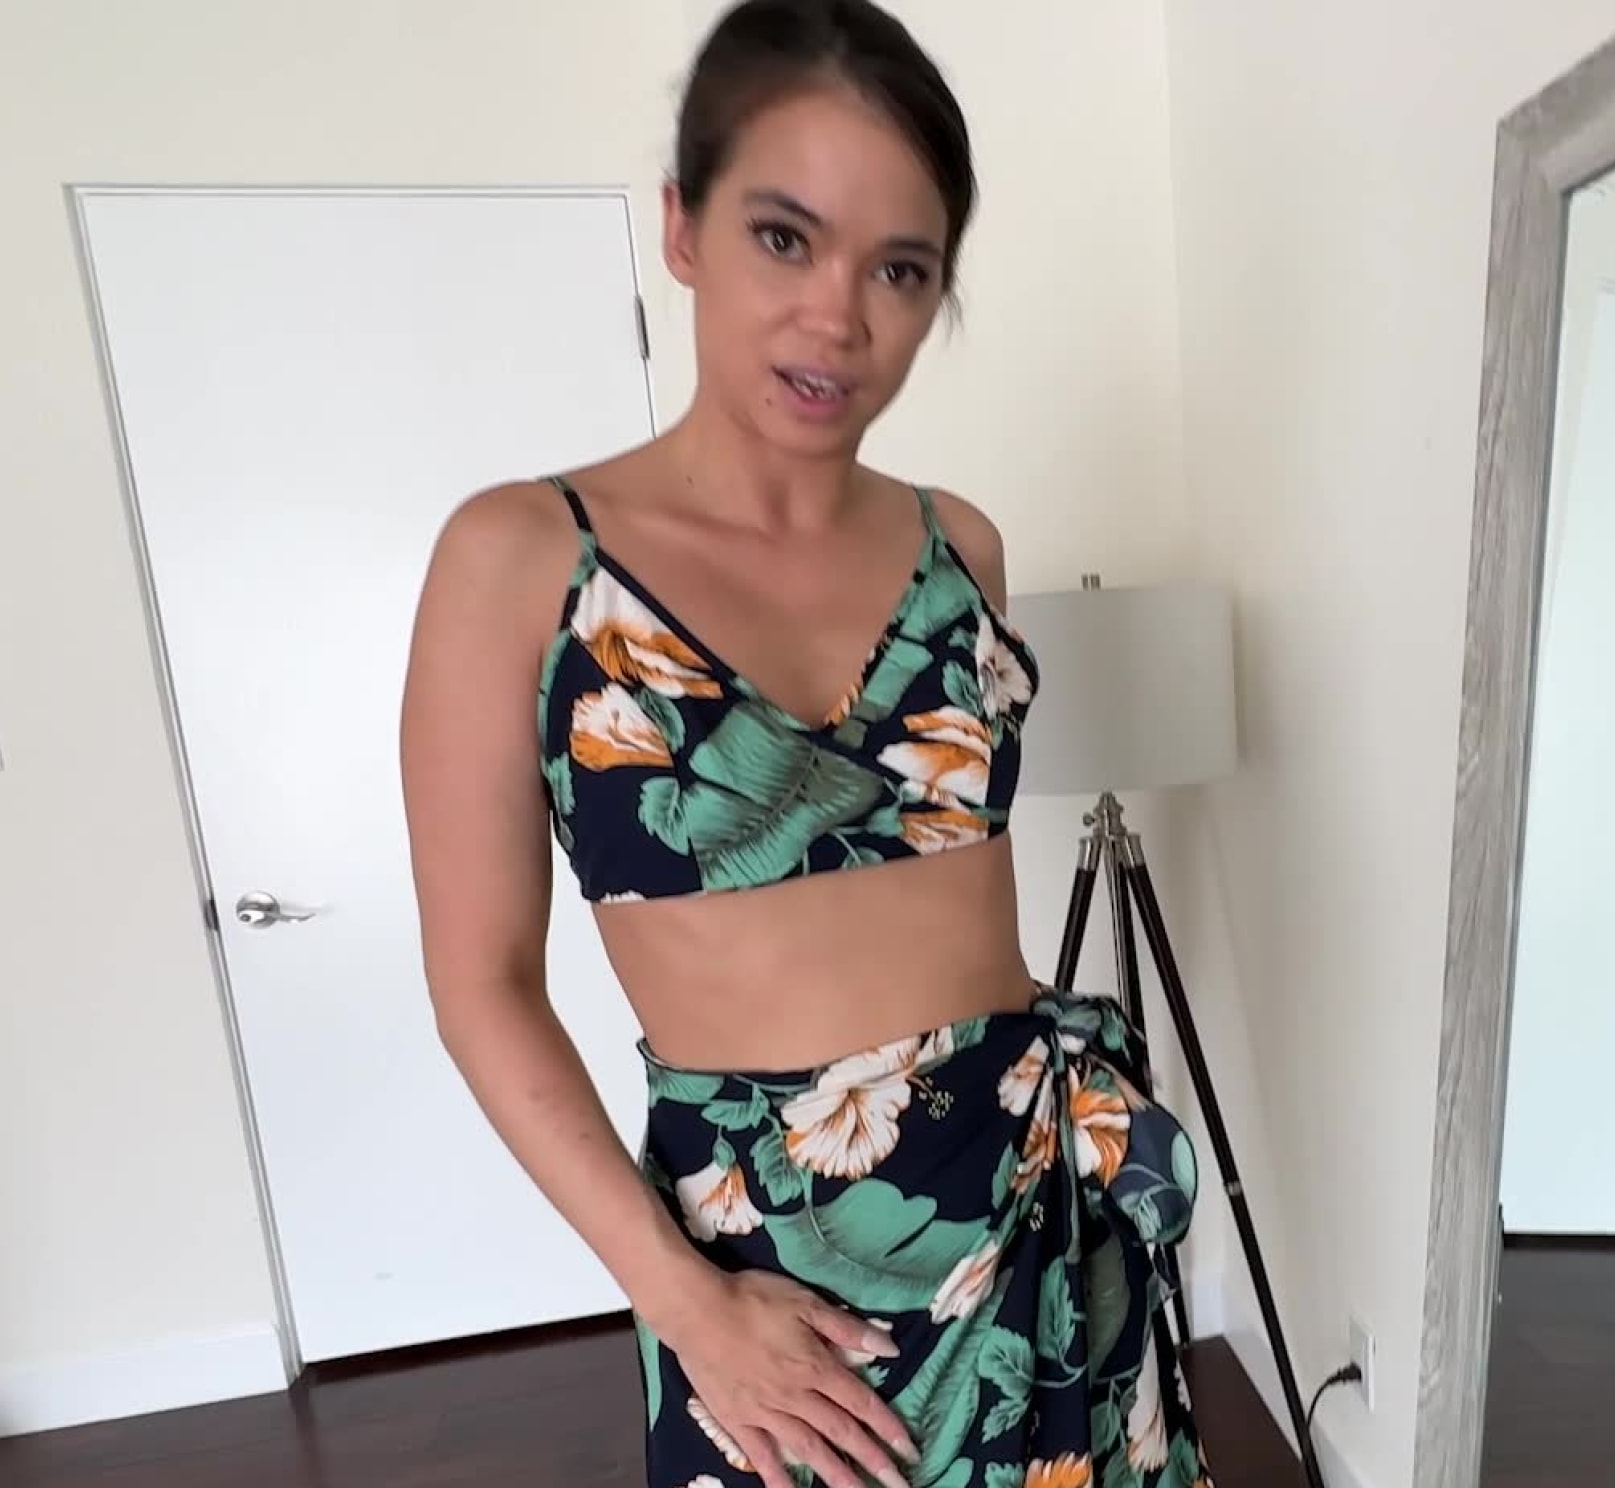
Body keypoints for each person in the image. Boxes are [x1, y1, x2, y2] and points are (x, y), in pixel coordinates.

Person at [397, 4, 1210, 1486]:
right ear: (683, 227)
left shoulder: (962, 545)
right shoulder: (520, 560)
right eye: (785, 238)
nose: (839, 318)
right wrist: (685, 1304)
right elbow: (480, 987)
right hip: (768, 1288)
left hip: (1035, 1206)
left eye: (900, 269)